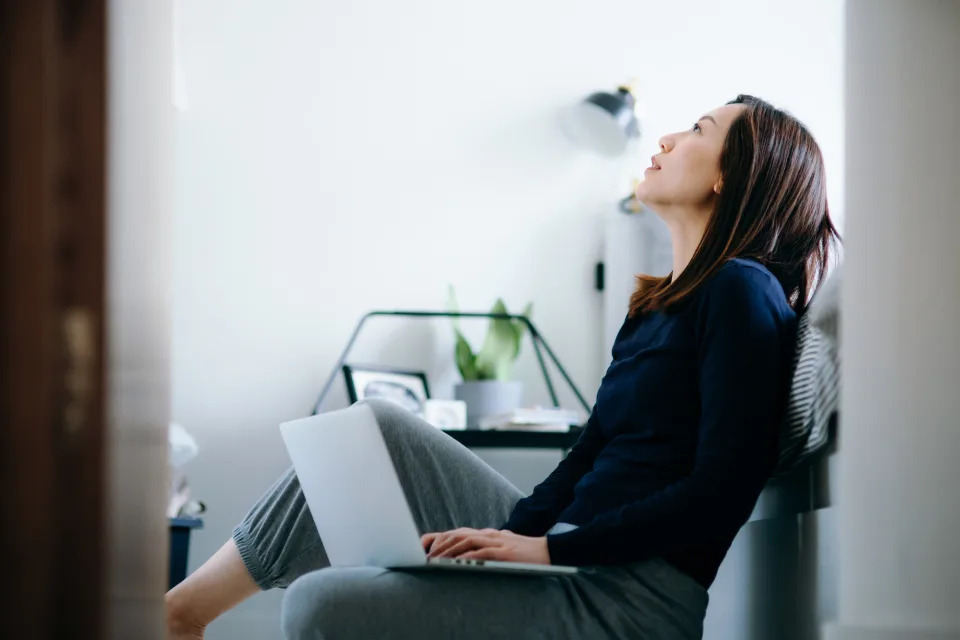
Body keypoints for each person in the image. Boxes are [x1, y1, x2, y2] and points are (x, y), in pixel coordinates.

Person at [166, 95, 841, 639]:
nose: (664, 139)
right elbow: (587, 457)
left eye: (698, 128)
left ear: (735, 174)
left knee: (320, 605)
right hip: (569, 552)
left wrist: (549, 552)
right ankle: (179, 616)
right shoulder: (655, 306)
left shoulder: (741, 291)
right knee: (374, 429)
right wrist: (513, 535)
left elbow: (723, 485)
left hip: (627, 599)